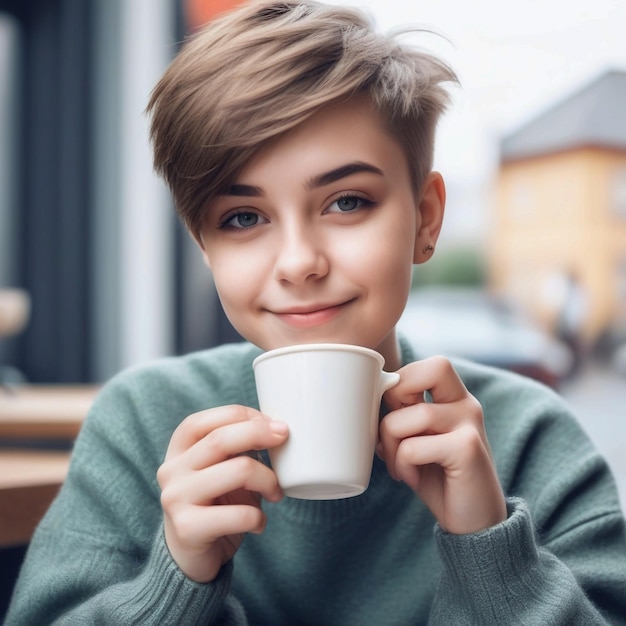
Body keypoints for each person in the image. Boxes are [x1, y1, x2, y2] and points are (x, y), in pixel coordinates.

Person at [6, 1, 626, 623]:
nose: (299, 262)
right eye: (242, 218)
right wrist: (175, 582)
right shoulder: (140, 427)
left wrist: (491, 552)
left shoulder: (530, 442)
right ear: (205, 248)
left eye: (347, 202)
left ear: (426, 219)